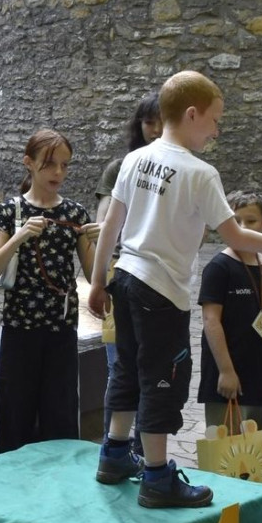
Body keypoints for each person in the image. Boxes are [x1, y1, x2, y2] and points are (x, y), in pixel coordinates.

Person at [87, 70, 262, 509]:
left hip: (125, 279)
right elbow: (238, 237)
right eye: (215, 120)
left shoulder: (135, 159)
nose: (217, 130)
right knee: (161, 380)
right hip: (161, 292)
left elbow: (111, 225)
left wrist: (96, 280)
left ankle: (113, 453)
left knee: (126, 369)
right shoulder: (200, 173)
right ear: (191, 114)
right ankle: (156, 477)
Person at [0, 129, 100, 454]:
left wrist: (100, 242)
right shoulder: (10, 210)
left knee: (60, 424)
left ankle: (59, 495)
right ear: (29, 164)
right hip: (18, 331)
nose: (58, 173)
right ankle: (9, 492)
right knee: (12, 422)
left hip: (61, 332)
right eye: (50, 164)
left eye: (65, 165)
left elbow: (93, 275)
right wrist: (19, 237)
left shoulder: (74, 213)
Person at [94, 91, 163, 455]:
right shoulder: (120, 168)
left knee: (152, 371)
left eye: (161, 122)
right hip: (123, 274)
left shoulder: (181, 168)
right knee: (120, 368)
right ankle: (117, 447)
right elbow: (102, 223)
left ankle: (143, 449)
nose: (155, 129)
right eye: (148, 122)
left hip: (161, 280)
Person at [197, 190, 262, 435]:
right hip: (226, 376)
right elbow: (211, 320)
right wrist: (226, 371)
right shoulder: (219, 268)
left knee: (253, 450)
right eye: (236, 221)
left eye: (251, 221)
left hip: (260, 374)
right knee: (224, 448)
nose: (243, 227)